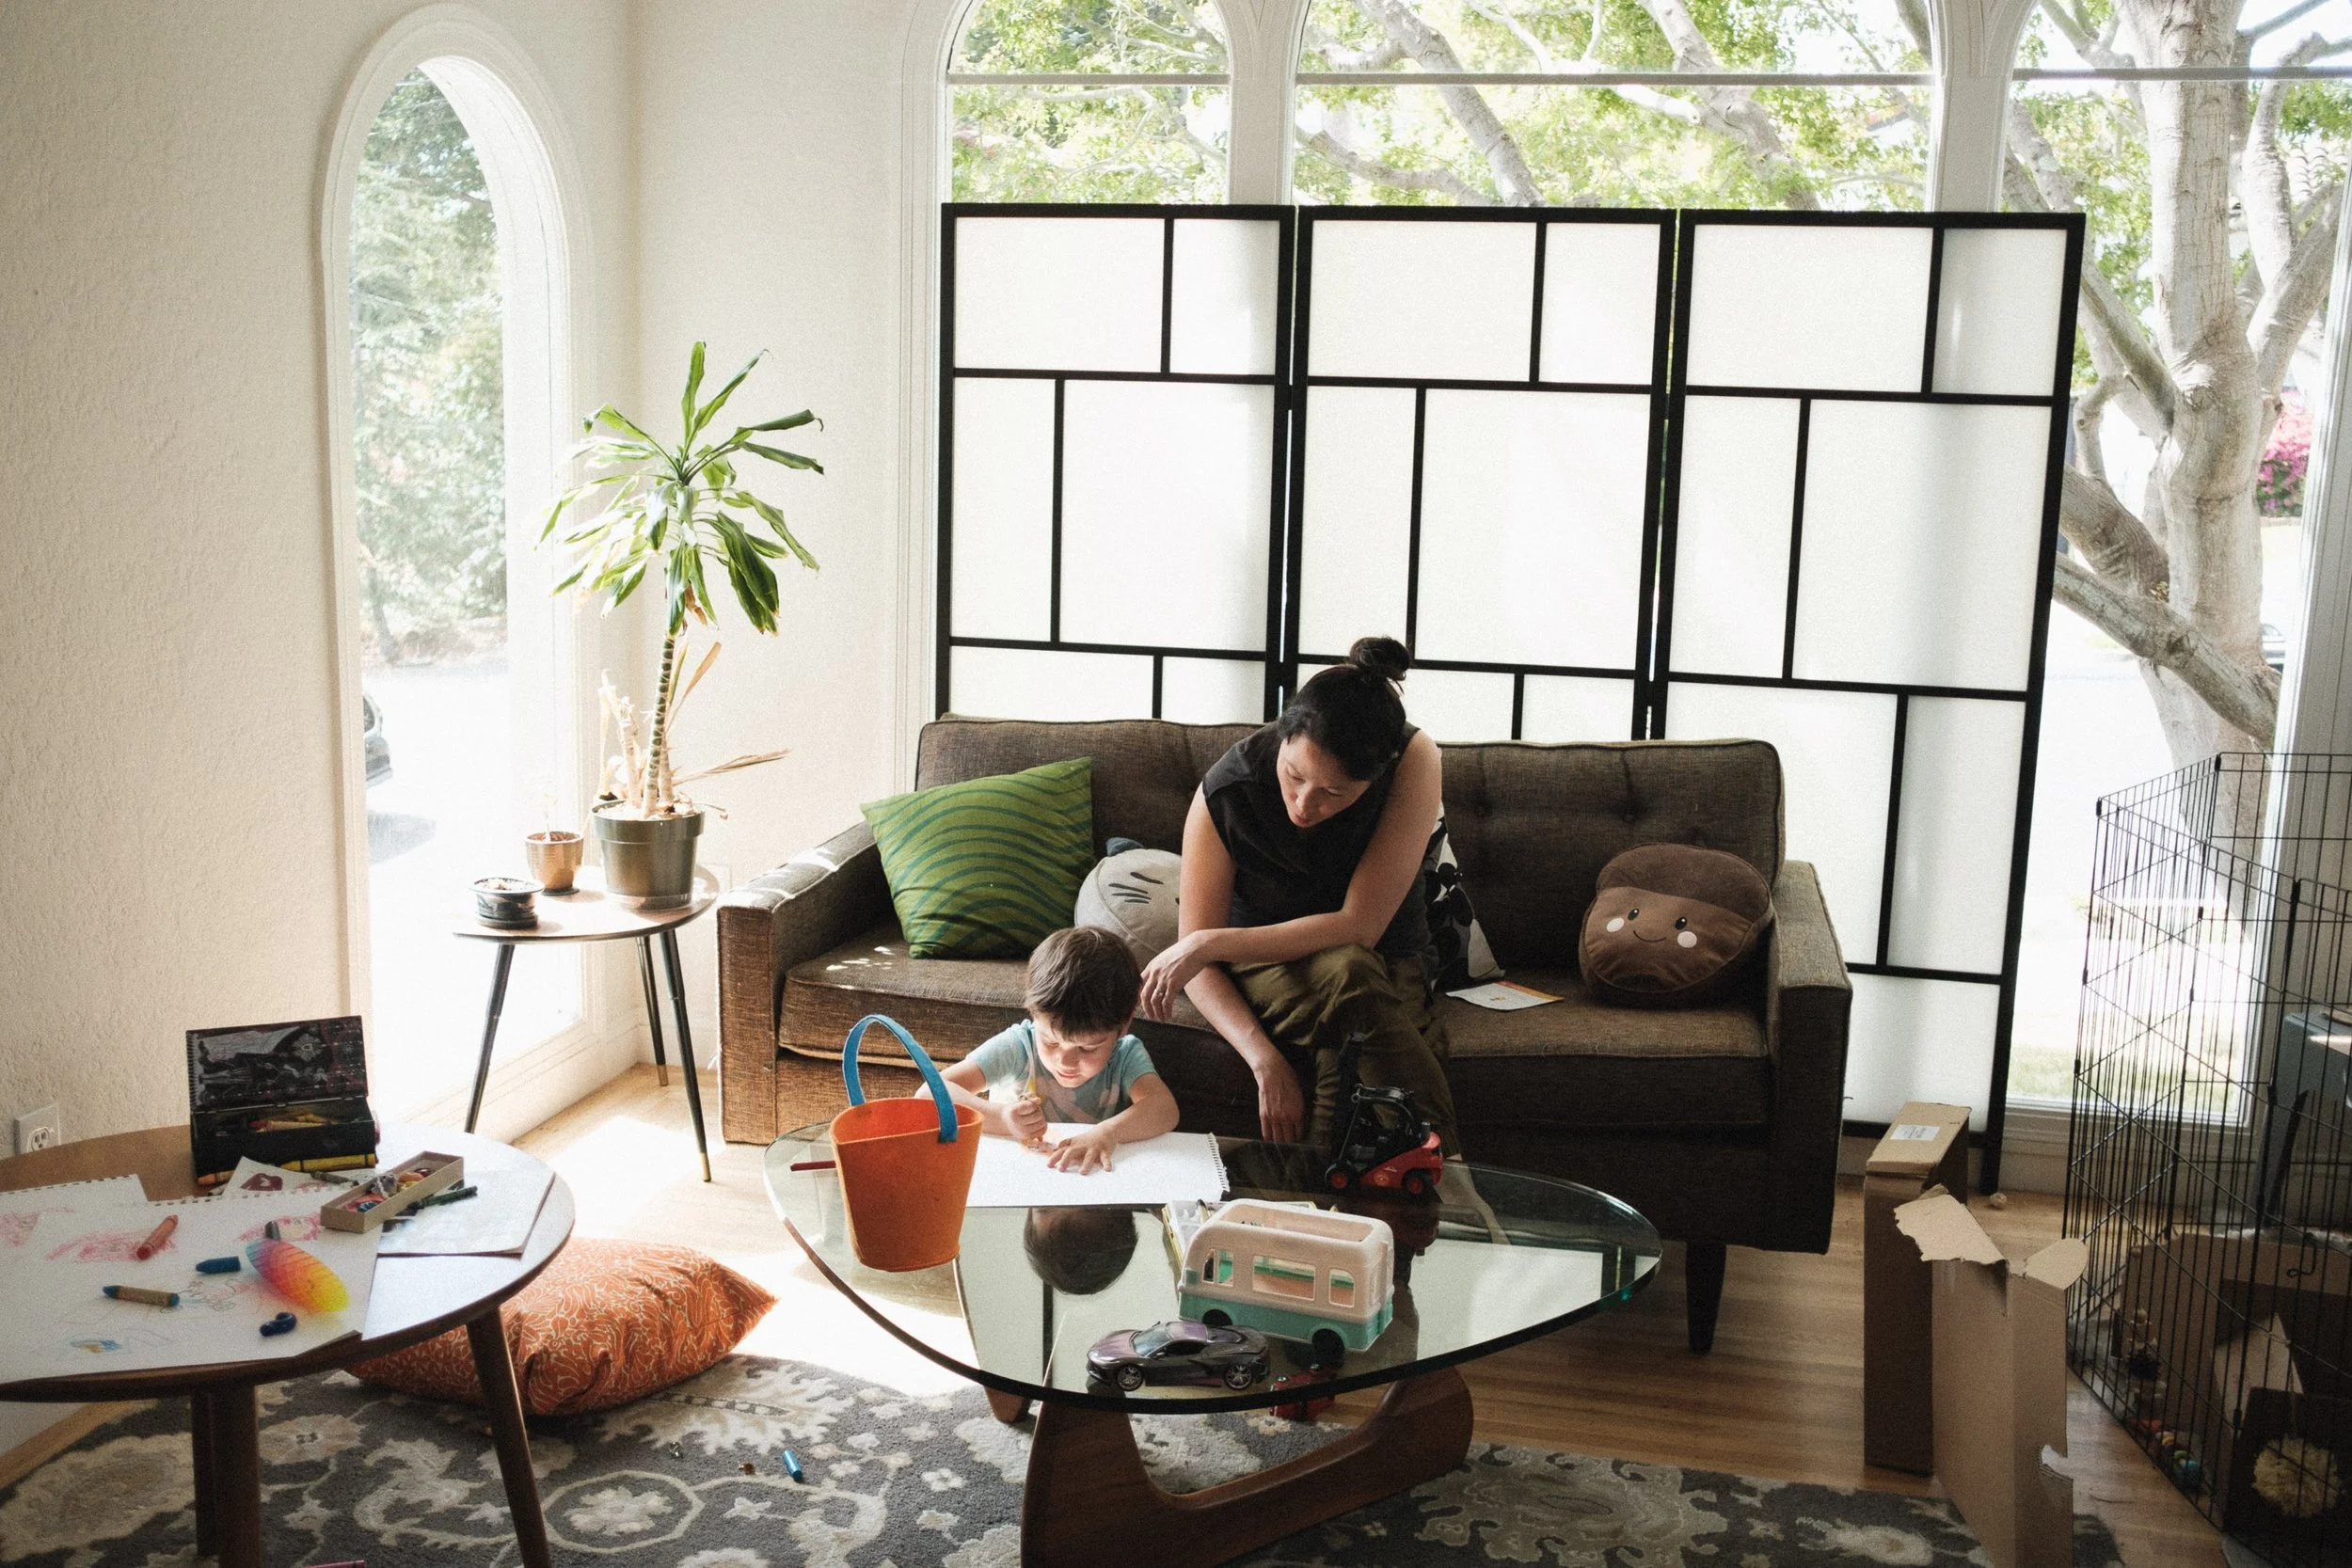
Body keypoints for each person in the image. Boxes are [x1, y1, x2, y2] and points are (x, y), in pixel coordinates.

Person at [1137, 636, 1460, 1155]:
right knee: (1352, 987)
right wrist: (1264, 1060)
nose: (1305, 804)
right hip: (1264, 964)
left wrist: (1205, 944)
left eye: (1334, 793)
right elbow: (1201, 971)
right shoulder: (1226, 791)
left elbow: (1359, 928)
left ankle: (1314, 1203)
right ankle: (1452, 1170)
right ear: (1283, 735)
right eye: (1294, 777)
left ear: (1374, 777)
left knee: (1350, 984)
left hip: (1384, 957)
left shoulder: (1413, 757)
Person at [939, 926, 1178, 1174]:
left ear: (1123, 1025)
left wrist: (1109, 1132)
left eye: (1087, 1048)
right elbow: (930, 1093)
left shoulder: (1125, 1054)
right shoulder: (1018, 1046)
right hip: (1016, 1176)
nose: (1065, 1061)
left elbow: (1164, 1108)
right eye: (1051, 1041)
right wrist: (1002, 1118)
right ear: (1034, 1014)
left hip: (1090, 1179)